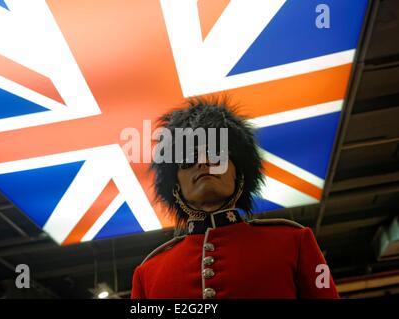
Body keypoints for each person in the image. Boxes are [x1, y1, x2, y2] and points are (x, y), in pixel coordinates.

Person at [131, 96, 339, 299]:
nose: (203, 163)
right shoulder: (148, 274)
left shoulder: (294, 243)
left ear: (238, 171)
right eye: (187, 160)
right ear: (175, 185)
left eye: (215, 155)